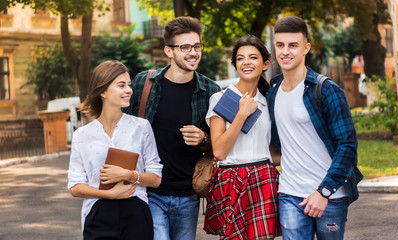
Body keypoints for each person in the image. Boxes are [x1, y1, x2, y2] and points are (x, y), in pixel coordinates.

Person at [123, 16, 221, 240]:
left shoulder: (210, 90)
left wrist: (204, 138)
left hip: (188, 194)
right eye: (184, 47)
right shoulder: (143, 83)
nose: (193, 52)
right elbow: (123, 129)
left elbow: (220, 144)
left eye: (197, 46)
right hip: (150, 191)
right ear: (169, 51)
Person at [266, 16, 364, 240]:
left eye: (293, 45)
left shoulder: (326, 89)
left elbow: (347, 144)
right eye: (280, 45)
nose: (285, 51)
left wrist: (324, 192)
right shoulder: (273, 91)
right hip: (290, 194)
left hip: (330, 195)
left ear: (305, 48)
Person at [67, 60, 163, 239]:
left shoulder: (141, 127)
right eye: (121, 85)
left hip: (136, 212)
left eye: (129, 85)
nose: (129, 90)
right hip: (98, 214)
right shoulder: (82, 134)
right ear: (102, 91)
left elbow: (156, 179)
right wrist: (107, 194)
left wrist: (128, 175)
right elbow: (75, 186)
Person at [204, 35, 281, 240]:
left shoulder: (268, 102)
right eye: (240, 58)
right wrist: (241, 114)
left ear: (265, 64)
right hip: (231, 180)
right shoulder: (220, 99)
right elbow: (219, 151)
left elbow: (272, 152)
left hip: (263, 179)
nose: (246, 62)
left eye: (253, 57)